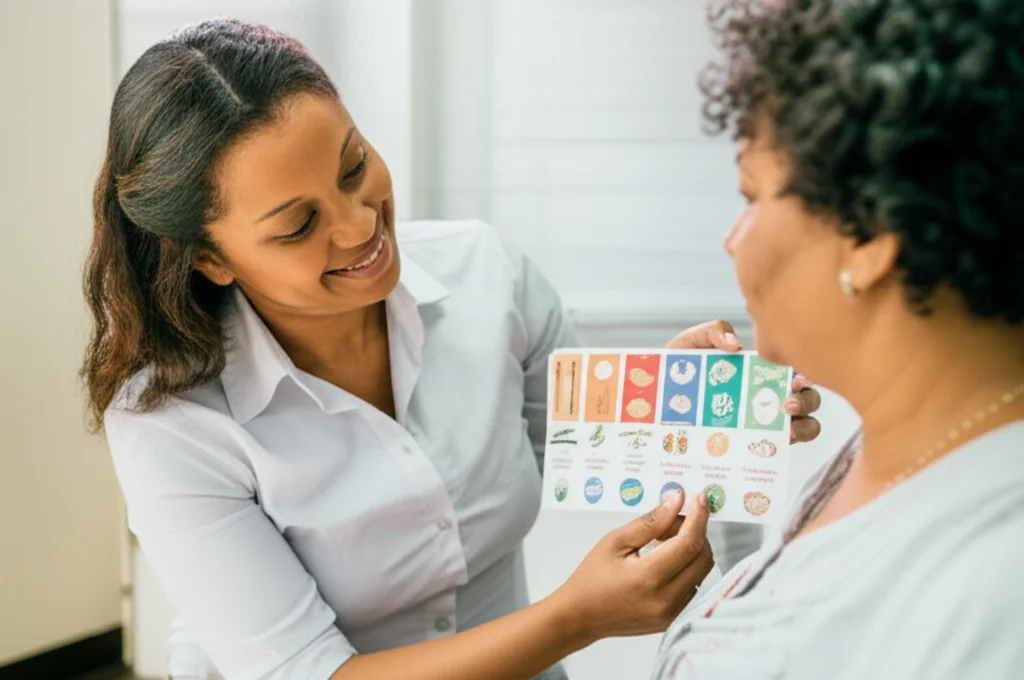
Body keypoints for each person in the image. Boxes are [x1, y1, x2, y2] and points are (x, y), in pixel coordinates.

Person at [82, 19, 822, 680]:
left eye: (353, 167)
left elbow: (592, 453)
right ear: (211, 259)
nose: (359, 226)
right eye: (298, 226)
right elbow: (309, 673)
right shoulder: (170, 420)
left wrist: (686, 408)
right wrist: (575, 618)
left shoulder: (486, 276)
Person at [652, 0, 1024, 678]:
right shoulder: (898, 443)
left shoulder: (993, 594)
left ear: (868, 235)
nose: (732, 238)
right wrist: (707, 462)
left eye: (751, 197)